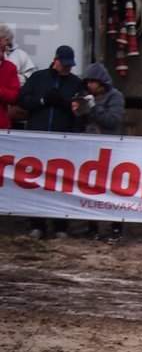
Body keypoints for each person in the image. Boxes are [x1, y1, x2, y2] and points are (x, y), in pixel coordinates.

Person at [17, 45, 84, 239]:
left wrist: (71, 106)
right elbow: (22, 100)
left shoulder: (75, 82)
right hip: (38, 138)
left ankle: (60, 225)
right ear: (56, 60)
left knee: (60, 184)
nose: (68, 69)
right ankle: (37, 224)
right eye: (65, 65)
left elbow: (81, 110)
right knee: (36, 182)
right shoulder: (38, 78)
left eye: (70, 65)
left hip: (62, 140)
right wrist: (43, 101)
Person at [72, 62, 126, 242]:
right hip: (90, 147)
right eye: (87, 82)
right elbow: (86, 121)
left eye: (92, 82)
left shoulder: (115, 96)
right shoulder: (88, 96)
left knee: (112, 190)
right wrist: (79, 110)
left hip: (110, 149)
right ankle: (92, 227)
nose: (89, 85)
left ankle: (116, 227)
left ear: (101, 81)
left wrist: (94, 107)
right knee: (90, 188)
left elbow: (113, 120)